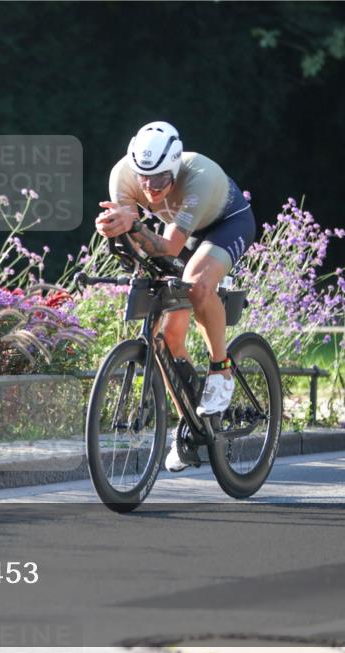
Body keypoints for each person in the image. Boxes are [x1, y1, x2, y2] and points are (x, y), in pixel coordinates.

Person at [95, 121, 256, 471]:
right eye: (144, 178)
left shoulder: (197, 176)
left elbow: (168, 245)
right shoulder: (122, 176)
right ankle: (190, 426)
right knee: (166, 338)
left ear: (175, 167)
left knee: (198, 284)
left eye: (160, 179)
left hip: (224, 225)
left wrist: (134, 225)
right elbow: (136, 242)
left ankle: (221, 370)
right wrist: (114, 230)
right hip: (179, 235)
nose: (151, 188)